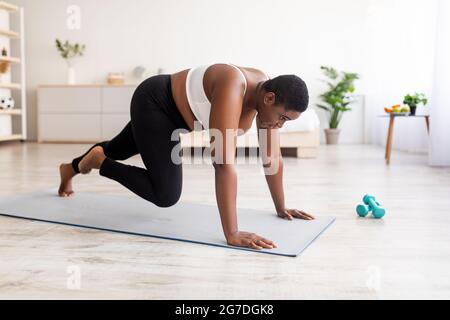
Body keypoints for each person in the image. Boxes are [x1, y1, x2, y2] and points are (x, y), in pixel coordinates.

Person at [58, 63, 315, 250]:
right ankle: (99, 162)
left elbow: (272, 156)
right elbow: (223, 163)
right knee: (166, 195)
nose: (281, 125)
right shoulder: (233, 85)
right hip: (155, 103)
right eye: (283, 118)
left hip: (174, 118)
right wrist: (232, 232)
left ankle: (71, 169)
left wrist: (281, 207)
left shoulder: (266, 96)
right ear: (269, 98)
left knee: (117, 148)